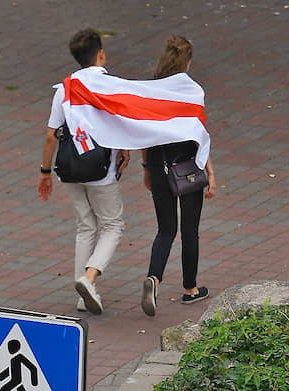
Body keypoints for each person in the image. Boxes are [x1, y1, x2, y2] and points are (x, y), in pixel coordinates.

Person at [37, 28, 129, 315]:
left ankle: (81, 293)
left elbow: (52, 135)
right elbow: (121, 122)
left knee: (85, 226)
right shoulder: (111, 84)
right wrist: (126, 150)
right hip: (101, 169)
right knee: (113, 225)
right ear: (100, 53)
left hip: (69, 169)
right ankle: (89, 279)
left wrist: (44, 172)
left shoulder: (64, 88)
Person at [141, 35, 216, 317]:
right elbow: (198, 135)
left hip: (159, 166)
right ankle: (190, 289)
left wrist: (147, 168)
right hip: (187, 168)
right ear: (187, 61)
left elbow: (146, 135)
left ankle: (154, 278)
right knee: (190, 231)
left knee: (165, 230)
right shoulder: (192, 92)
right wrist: (210, 171)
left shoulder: (151, 90)